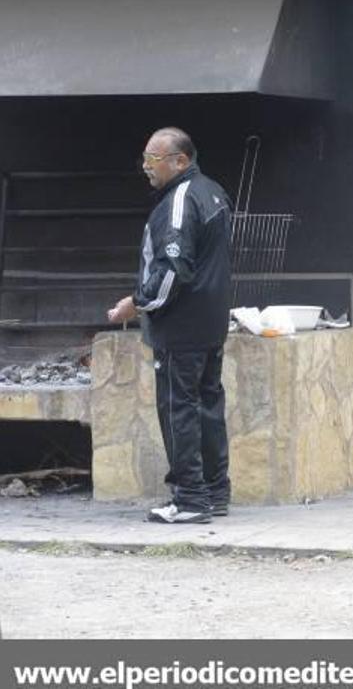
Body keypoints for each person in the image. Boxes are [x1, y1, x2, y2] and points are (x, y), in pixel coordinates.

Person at [107, 128, 233, 524]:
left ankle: (190, 500)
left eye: (153, 159)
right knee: (208, 407)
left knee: (178, 409)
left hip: (182, 329)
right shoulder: (213, 191)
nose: (146, 167)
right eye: (144, 158)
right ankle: (215, 492)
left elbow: (173, 270)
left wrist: (137, 303)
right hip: (210, 324)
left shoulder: (179, 202)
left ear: (180, 161)